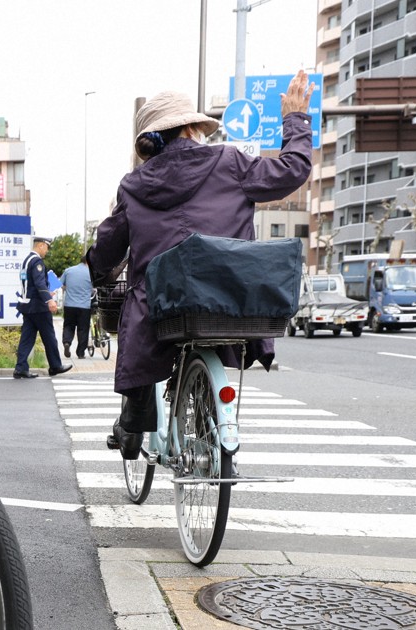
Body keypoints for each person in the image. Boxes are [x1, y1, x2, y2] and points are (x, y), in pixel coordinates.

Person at [87, 70, 315, 460]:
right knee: (207, 325)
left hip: (160, 306)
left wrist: (96, 272)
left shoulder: (134, 185)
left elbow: (108, 247)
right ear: (193, 127)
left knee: (135, 317)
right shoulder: (230, 162)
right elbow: (293, 168)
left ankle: (134, 417)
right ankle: (209, 421)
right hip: (229, 296)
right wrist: (294, 117)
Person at [13, 235, 72, 379]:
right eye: (47, 247)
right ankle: (55, 366)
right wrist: (49, 300)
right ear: (41, 246)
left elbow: (32, 284)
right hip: (39, 307)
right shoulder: (37, 261)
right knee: (49, 337)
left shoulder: (26, 260)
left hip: (27, 306)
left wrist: (46, 291)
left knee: (27, 338)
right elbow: (39, 283)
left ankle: (20, 368)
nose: (47, 251)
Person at [60, 258, 94, 359]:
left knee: (68, 326)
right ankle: (80, 353)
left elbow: (61, 285)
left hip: (69, 305)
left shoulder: (68, 270)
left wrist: (69, 288)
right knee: (83, 329)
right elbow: (94, 288)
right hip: (84, 306)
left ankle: (67, 342)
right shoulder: (91, 273)